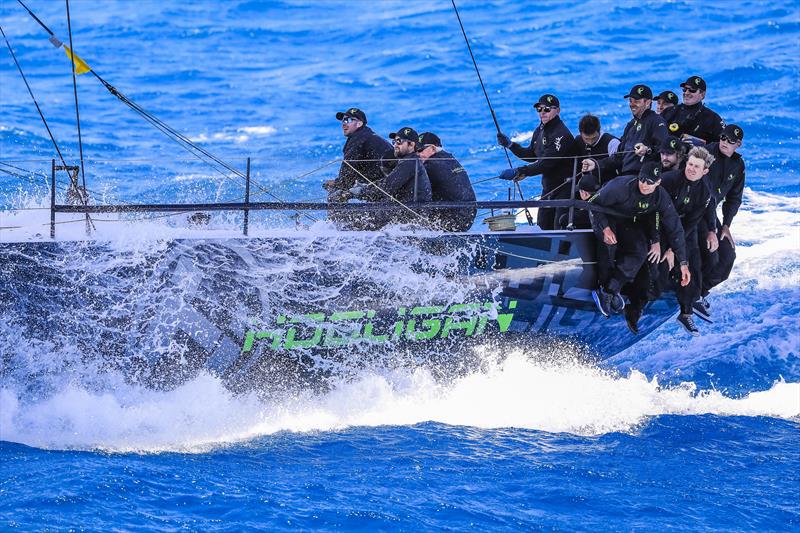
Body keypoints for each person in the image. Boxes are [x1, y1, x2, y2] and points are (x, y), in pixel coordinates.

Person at [627, 147, 714, 336]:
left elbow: (692, 221)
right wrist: (657, 241)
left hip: (682, 230)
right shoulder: (669, 180)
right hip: (657, 225)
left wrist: (675, 250)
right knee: (658, 268)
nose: (691, 169)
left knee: (692, 264)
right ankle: (636, 306)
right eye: (690, 164)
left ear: (704, 171)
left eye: (696, 167)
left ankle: (686, 312)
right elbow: (653, 212)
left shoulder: (705, 191)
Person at [587, 161, 690, 318]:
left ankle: (610, 290)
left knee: (640, 252)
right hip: (604, 216)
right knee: (609, 244)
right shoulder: (620, 186)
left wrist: (683, 263)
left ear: (658, 182)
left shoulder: (661, 197)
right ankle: (602, 286)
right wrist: (605, 228)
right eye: (642, 179)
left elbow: (675, 228)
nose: (644, 184)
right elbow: (592, 203)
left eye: (650, 182)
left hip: (628, 221)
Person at [495, 94, 575, 229]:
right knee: (542, 226)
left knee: (559, 227)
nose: (542, 112)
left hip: (565, 189)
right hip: (548, 189)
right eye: (539, 109)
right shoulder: (539, 130)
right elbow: (532, 154)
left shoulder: (561, 134)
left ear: (558, 111)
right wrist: (510, 145)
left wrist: (520, 171)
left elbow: (546, 163)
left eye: (547, 109)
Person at [694, 124, 746, 320]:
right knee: (709, 253)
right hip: (692, 209)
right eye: (723, 137)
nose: (725, 142)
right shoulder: (706, 153)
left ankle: (699, 292)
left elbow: (734, 198)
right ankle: (689, 291)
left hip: (711, 215)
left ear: (738, 144)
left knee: (727, 256)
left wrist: (726, 226)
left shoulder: (738, 165)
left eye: (730, 140)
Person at [582, 84, 668, 184]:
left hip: (642, 177)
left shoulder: (656, 121)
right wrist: (596, 164)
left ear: (648, 102)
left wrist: (647, 150)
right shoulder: (631, 125)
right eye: (630, 101)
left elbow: (664, 149)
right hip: (624, 176)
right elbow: (618, 157)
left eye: (636, 101)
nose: (632, 104)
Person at [358, 127, 432, 228]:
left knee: (361, 218)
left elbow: (387, 187)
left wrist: (361, 191)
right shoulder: (409, 161)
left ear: (411, 144)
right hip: (407, 211)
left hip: (412, 216)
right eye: (394, 142)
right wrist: (367, 187)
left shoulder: (410, 162)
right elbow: (388, 182)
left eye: (399, 141)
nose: (395, 145)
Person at [418, 132, 476, 232]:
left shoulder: (431, 164)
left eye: (420, 150)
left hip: (452, 220)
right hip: (469, 216)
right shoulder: (449, 158)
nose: (417, 154)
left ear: (432, 148)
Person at [671, 76, 725, 144]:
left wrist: (701, 144)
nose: (686, 93)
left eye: (692, 90)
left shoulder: (713, 119)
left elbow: (725, 146)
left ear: (702, 94)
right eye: (684, 89)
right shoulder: (671, 112)